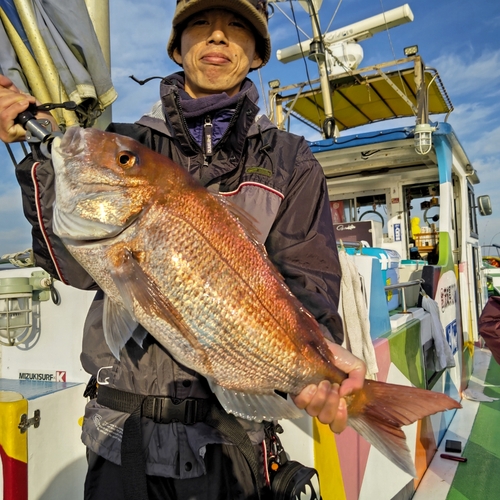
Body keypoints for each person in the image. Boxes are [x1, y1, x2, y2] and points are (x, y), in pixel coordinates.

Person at [0, 1, 366, 498]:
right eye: (201, 23)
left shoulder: (290, 160)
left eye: (238, 26)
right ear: (177, 46)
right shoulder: (126, 141)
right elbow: (76, 270)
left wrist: (316, 361)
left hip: (233, 441)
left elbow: (310, 279)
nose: (218, 37)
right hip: (119, 434)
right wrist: (35, 157)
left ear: (258, 53)